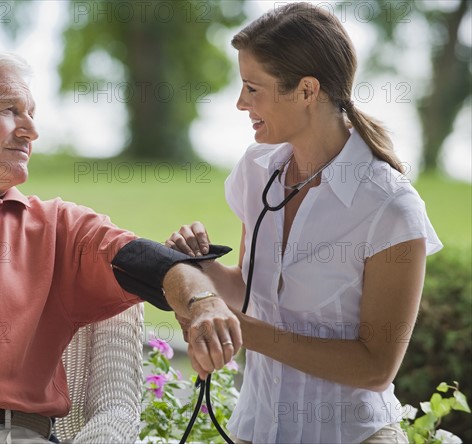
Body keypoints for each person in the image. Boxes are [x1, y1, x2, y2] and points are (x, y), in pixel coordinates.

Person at [0, 47, 241, 444]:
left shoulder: (59, 226)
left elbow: (148, 262)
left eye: (31, 114)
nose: (30, 130)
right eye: (10, 110)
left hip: (16, 436)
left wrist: (204, 302)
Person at [166, 3, 442, 443]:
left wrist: (245, 332)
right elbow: (254, 290)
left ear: (308, 90)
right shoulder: (256, 171)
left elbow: (375, 367)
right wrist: (204, 270)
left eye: (253, 89)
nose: (240, 103)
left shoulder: (390, 207)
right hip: (256, 430)